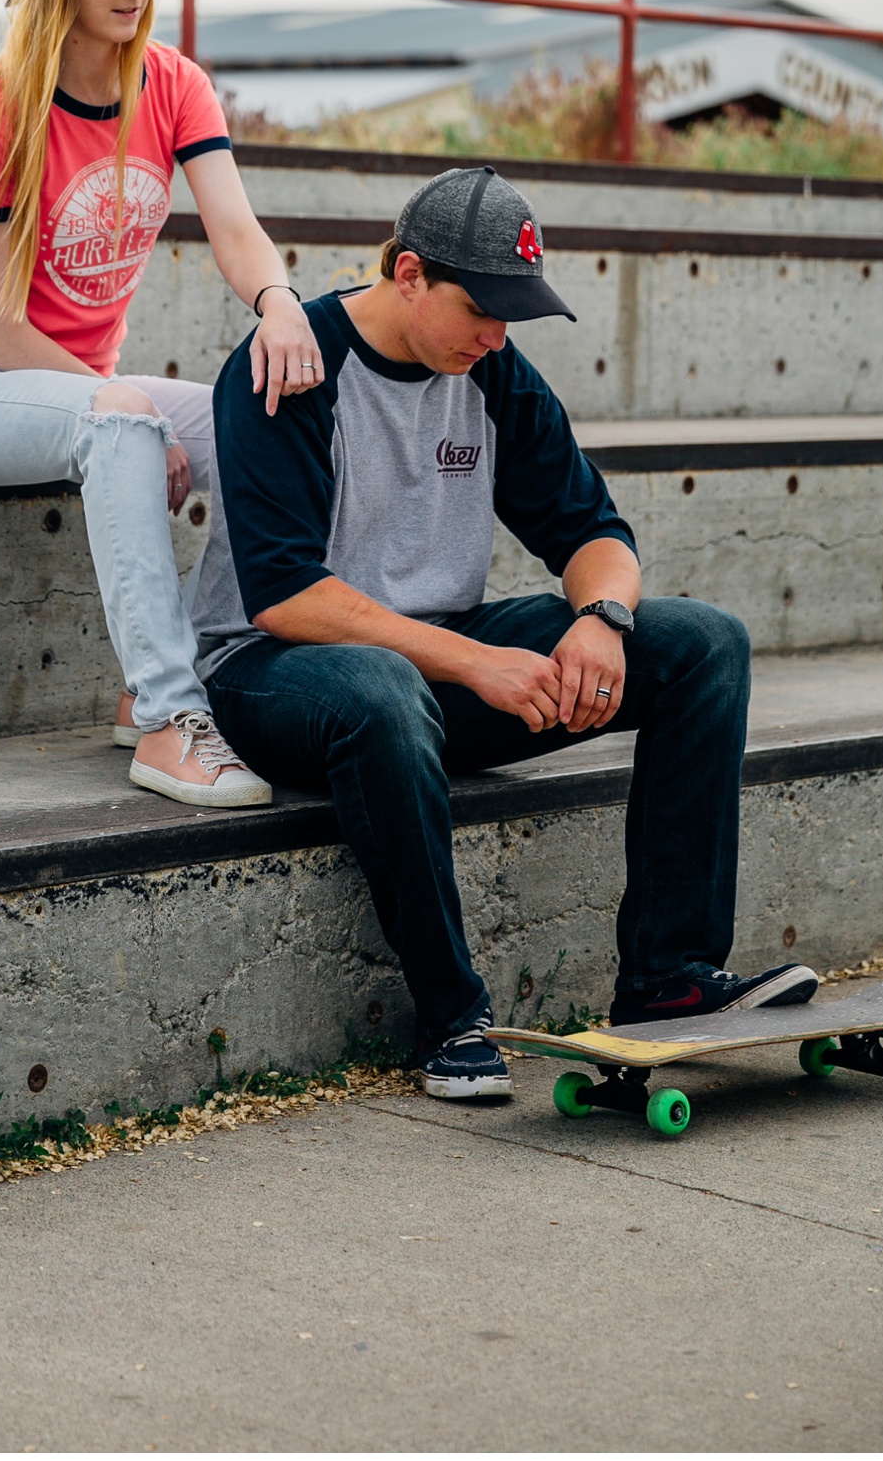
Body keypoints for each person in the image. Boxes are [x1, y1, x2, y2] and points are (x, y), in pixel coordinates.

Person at [192, 164, 818, 1096]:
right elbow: (285, 593)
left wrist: (603, 620)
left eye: (512, 315)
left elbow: (596, 533)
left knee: (704, 645)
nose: (497, 334)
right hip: (277, 671)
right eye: (482, 309)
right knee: (380, 688)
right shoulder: (292, 363)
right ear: (409, 274)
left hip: (434, 662)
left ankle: (668, 979)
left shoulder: (490, 372)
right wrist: (479, 662)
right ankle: (452, 1019)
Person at [0, 0, 324, 811]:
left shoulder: (171, 86)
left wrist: (280, 302)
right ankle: (173, 725)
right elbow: (1, 333)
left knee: (248, 417)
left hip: (82, 387)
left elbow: (234, 228)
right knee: (126, 420)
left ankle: (204, 665)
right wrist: (124, 411)